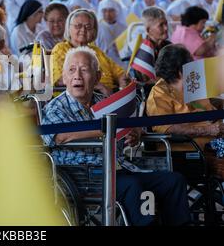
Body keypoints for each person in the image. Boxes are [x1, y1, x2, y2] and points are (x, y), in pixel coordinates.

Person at [42, 47, 191, 226]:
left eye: (84, 69)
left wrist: (133, 133)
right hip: (86, 176)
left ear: (97, 77)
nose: (77, 76)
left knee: (173, 181)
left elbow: (124, 129)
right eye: (71, 70)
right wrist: (108, 128)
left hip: (120, 169)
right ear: (64, 77)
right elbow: (60, 137)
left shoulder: (106, 103)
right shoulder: (56, 107)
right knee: (132, 186)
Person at [147, 44, 224, 150]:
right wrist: (208, 129)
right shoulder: (158, 94)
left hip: (214, 141)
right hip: (189, 150)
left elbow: (210, 107)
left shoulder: (193, 85)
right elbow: (166, 129)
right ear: (180, 71)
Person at [51, 8, 127, 96]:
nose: (83, 30)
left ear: (94, 31)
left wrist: (122, 86)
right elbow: (61, 80)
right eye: (78, 26)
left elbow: (119, 73)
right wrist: (99, 87)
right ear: (68, 28)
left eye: (88, 27)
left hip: (109, 96)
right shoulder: (61, 49)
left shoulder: (96, 51)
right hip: (83, 97)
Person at [95, 0, 127, 69]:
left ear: (117, 11)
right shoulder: (97, 28)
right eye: (105, 11)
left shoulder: (124, 28)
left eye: (111, 11)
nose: (108, 14)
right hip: (103, 64)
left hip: (120, 64)